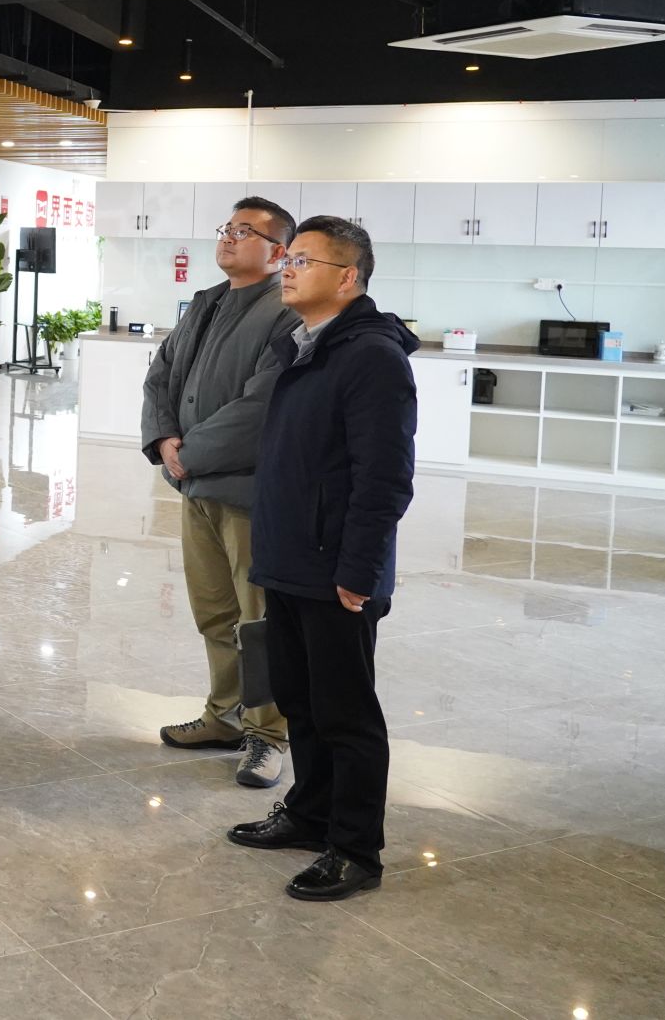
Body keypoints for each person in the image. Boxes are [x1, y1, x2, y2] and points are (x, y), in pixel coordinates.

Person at [227, 215, 416, 903]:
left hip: (337, 570)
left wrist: (359, 570)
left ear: (347, 277)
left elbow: (384, 478)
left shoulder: (371, 356)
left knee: (345, 713)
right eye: (290, 258)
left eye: (304, 260)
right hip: (289, 558)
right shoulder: (304, 345)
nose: (288, 268)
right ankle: (310, 814)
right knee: (300, 701)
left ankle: (356, 848)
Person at [141, 197, 301, 788]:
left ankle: (267, 734)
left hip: (247, 493)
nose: (229, 238)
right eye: (227, 228)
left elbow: (263, 406)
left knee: (258, 620)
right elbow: (160, 375)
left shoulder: (286, 312)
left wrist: (189, 455)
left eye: (245, 231)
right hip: (195, 488)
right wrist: (164, 438)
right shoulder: (206, 303)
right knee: (215, 611)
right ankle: (225, 716)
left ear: (279, 252)